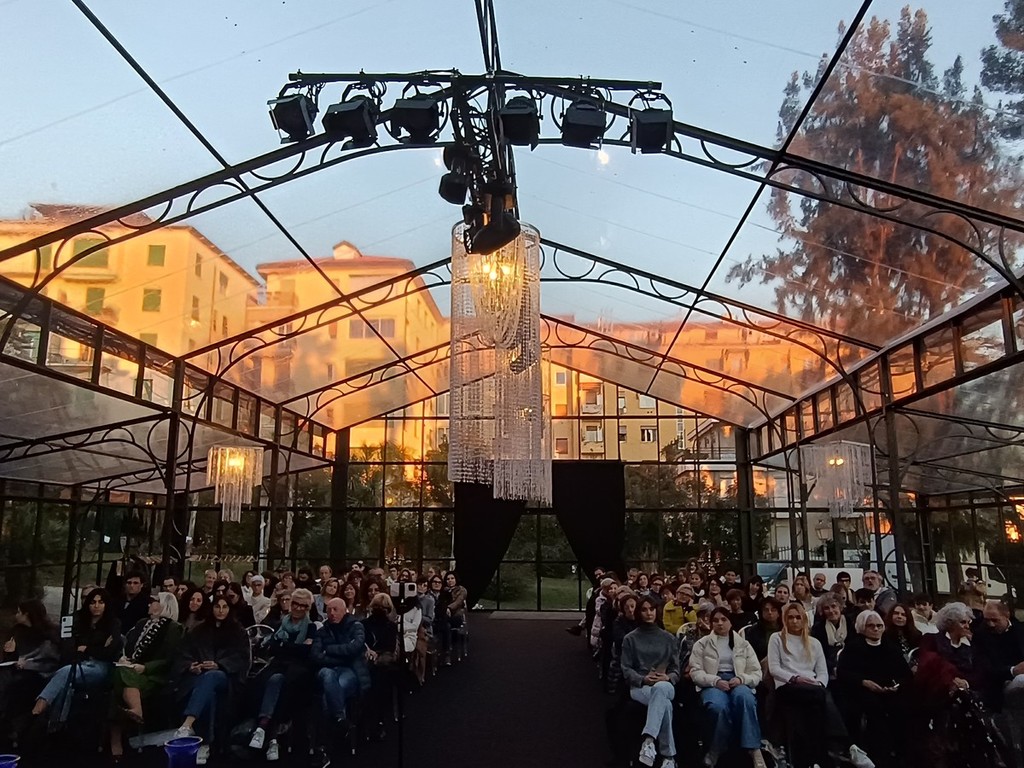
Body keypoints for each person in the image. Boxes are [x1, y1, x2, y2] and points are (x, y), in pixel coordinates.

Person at [767, 603, 875, 768]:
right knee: (822, 696)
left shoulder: (814, 643)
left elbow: (822, 672)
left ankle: (815, 761)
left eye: (798, 617)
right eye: (790, 617)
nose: (794, 621)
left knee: (819, 702)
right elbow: (774, 668)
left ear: (804, 619)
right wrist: (795, 678)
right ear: (784, 620)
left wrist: (819, 683)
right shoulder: (777, 638)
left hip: (813, 688)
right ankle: (846, 746)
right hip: (788, 685)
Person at [173, 595, 251, 766]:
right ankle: (205, 744)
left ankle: (187, 724)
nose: (221, 611)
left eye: (224, 607)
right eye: (217, 606)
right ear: (212, 608)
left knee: (212, 676)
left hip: (227, 677)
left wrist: (219, 665)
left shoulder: (238, 632)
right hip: (199, 676)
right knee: (208, 691)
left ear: (229, 609)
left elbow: (242, 657)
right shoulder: (198, 630)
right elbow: (183, 653)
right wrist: (191, 666)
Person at [109, 592, 184, 759]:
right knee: (121, 671)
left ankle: (116, 735)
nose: (149, 604)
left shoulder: (174, 628)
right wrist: (125, 658)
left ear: (165, 605)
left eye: (154, 601)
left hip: (154, 675)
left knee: (118, 684)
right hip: (132, 669)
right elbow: (128, 647)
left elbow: (170, 659)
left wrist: (146, 667)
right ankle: (136, 711)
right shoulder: (141, 623)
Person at [689, 607, 766, 768]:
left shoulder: (743, 644)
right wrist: (715, 681)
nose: (720, 623)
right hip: (713, 682)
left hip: (738, 680)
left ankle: (754, 748)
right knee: (718, 706)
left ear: (730, 622)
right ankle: (715, 749)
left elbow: (756, 672)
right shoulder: (701, 644)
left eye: (724, 619)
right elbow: (695, 672)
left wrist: (741, 678)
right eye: (716, 620)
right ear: (711, 623)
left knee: (745, 699)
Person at [32, 588, 122, 724]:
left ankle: (37, 710)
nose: (96, 606)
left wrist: (86, 648)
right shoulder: (79, 621)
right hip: (78, 662)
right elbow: (69, 649)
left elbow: (108, 652)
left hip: (100, 666)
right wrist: (95, 648)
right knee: (65, 683)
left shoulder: (113, 623)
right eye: (92, 602)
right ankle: (55, 723)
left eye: (101, 602)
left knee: (64, 673)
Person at [248, 587, 317, 762]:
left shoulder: (311, 627)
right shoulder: (281, 623)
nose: (298, 608)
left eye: (303, 605)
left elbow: (305, 653)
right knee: (270, 681)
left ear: (308, 608)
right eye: (296, 603)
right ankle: (271, 738)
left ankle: (264, 729)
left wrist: (284, 646)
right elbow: (273, 648)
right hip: (277, 667)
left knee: (282, 684)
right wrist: (293, 648)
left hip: (299, 674)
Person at [836, 610, 912, 767]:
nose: (876, 629)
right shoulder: (853, 647)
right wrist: (864, 682)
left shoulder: (890, 647)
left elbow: (905, 674)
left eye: (879, 626)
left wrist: (896, 685)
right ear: (862, 627)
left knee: (902, 708)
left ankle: (900, 754)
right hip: (862, 690)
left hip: (889, 690)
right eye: (871, 626)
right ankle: (877, 757)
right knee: (874, 709)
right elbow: (843, 673)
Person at [620, 595, 680, 768]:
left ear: (656, 611)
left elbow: (676, 669)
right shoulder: (630, 638)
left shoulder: (669, 638)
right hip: (641, 686)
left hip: (665, 684)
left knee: (661, 688)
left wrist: (668, 677)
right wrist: (643, 679)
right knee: (665, 705)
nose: (648, 613)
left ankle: (649, 740)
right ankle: (669, 758)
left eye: (652, 609)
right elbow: (626, 668)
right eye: (644, 610)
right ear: (639, 612)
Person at [0, 599, 59, 735]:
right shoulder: (17, 632)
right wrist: (10, 652)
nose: (16, 615)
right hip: (16, 670)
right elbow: (10, 660)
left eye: (19, 612)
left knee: (16, 684)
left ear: (27, 614)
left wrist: (27, 664)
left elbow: (49, 661)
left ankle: (12, 725)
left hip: (37, 674)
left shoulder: (48, 634)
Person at [312, 597, 370, 731]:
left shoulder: (356, 626)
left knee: (330, 693)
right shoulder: (322, 631)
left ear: (344, 611)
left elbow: (354, 648)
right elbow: (315, 655)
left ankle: (330, 733)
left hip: (349, 670)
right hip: (327, 669)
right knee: (327, 675)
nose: (332, 613)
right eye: (329, 610)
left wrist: (328, 650)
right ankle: (341, 721)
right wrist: (343, 658)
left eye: (335, 609)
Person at [811, 594, 850, 682]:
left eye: (833, 606)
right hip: (827, 668)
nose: (831, 611)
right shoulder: (818, 628)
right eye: (826, 608)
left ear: (840, 607)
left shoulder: (851, 623)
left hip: (849, 665)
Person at [436, 571, 467, 665]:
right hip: (445, 617)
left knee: (444, 624)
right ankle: (446, 653)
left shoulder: (461, 590)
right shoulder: (443, 590)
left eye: (452, 578)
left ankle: (445, 653)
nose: (450, 581)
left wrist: (448, 608)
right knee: (446, 625)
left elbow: (458, 602)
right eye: (448, 579)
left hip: (456, 616)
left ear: (456, 579)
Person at [744, 597, 782, 662]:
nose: (770, 612)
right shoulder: (753, 631)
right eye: (766, 610)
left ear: (778, 613)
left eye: (773, 610)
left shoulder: (785, 629)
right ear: (761, 612)